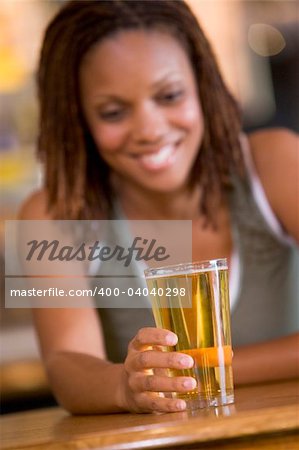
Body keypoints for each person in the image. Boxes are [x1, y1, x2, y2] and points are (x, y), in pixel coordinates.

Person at [20, 0, 298, 414]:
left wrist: (193, 373)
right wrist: (122, 386)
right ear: (77, 118)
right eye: (113, 112)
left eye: (169, 95)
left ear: (202, 85)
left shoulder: (274, 160)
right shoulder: (51, 213)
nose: (149, 130)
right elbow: (66, 366)